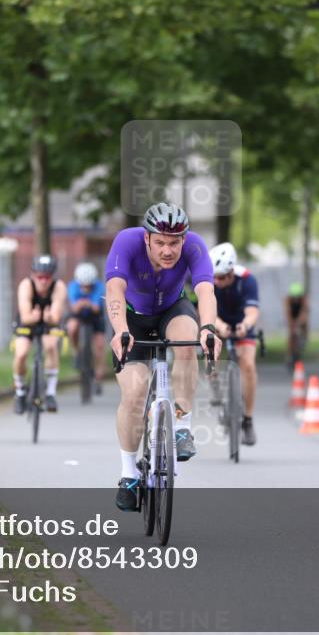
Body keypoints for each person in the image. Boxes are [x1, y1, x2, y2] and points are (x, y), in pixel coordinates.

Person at [105, 202, 221, 511]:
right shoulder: (127, 241)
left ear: (184, 239)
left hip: (173, 309)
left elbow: (206, 291)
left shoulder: (195, 246)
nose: (168, 250)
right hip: (132, 318)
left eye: (174, 243)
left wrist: (208, 329)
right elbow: (115, 290)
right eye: (160, 243)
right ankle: (129, 474)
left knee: (187, 341)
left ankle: (182, 426)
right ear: (147, 239)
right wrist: (120, 330)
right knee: (134, 393)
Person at [210, 242, 260, 446]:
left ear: (231, 272)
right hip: (217, 322)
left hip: (241, 323)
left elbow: (253, 311)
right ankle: (217, 390)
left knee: (248, 364)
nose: (217, 281)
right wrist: (219, 325)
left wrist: (245, 325)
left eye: (221, 277)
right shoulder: (209, 281)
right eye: (215, 277)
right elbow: (205, 311)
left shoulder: (247, 280)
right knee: (210, 352)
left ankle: (247, 420)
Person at [12, 255, 67, 414]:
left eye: (47, 277)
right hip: (27, 321)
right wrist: (34, 317)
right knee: (21, 353)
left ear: (52, 277)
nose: (43, 281)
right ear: (33, 275)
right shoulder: (26, 285)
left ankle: (50, 393)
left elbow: (56, 316)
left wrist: (49, 317)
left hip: (48, 322)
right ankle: (20, 392)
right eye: (40, 277)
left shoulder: (59, 287)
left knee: (50, 346)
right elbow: (25, 316)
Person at [66, 261, 107, 393]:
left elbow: (96, 308)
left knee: (100, 347)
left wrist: (84, 302)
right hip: (78, 316)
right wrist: (86, 303)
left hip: (96, 317)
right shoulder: (72, 287)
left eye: (89, 286)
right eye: (83, 286)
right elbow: (74, 307)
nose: (86, 288)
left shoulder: (100, 287)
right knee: (72, 327)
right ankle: (76, 351)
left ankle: (98, 378)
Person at [284, 282, 308, 366]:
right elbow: (288, 313)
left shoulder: (304, 300)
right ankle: (290, 355)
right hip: (292, 314)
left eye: (298, 297)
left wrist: (301, 322)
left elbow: (304, 312)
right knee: (291, 333)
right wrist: (292, 324)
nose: (296, 299)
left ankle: (304, 338)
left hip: (300, 313)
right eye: (294, 297)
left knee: (304, 323)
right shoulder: (287, 300)